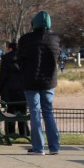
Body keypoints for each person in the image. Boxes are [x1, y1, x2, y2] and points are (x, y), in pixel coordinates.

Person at [18, 10, 61, 155]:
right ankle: (54, 147)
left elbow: (20, 59)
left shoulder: (25, 39)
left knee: (35, 113)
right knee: (48, 112)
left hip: (30, 80)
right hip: (49, 80)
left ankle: (38, 147)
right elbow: (57, 57)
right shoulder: (55, 39)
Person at [0, 41, 28, 137]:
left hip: (9, 90)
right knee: (22, 112)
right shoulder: (25, 57)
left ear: (10, 49)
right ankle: (24, 133)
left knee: (10, 112)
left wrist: (0, 89)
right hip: (23, 90)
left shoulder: (6, 58)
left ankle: (10, 133)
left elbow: (2, 76)